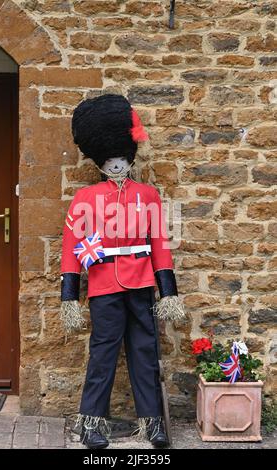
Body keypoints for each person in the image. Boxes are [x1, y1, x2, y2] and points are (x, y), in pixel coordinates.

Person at [60, 94, 185, 449]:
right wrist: (69, 296)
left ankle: (152, 423)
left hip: (141, 281)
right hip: (103, 284)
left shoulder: (147, 195)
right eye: (110, 160)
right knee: (102, 355)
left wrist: (168, 292)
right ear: (101, 161)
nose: (116, 165)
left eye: (121, 159)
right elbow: (71, 246)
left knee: (145, 353)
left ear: (129, 158)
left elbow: (159, 243)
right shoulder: (85, 198)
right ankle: (91, 424)